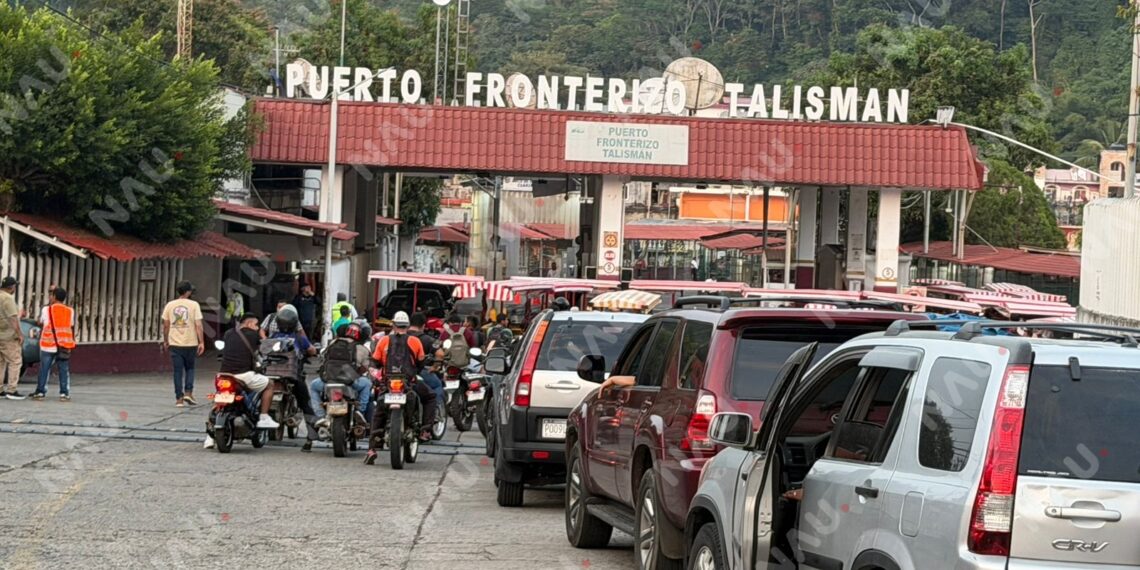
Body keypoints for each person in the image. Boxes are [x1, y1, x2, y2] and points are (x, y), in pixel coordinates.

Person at [365, 311, 438, 464]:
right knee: (430, 397)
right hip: (409, 382)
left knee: (378, 411)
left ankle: (372, 448)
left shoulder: (384, 341)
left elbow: (376, 361)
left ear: (393, 324)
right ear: (407, 325)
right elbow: (420, 362)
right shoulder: (415, 341)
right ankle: (425, 430)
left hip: (388, 383)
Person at [206, 314, 281, 449]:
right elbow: (263, 350)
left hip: (224, 375)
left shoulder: (228, 333)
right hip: (244, 375)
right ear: (249, 324)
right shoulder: (253, 336)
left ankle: (209, 437)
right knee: (269, 384)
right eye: (256, 325)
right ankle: (264, 417)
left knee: (218, 400)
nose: (258, 328)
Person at [306, 323, 372, 452]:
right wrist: (355, 373)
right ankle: (361, 411)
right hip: (350, 382)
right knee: (367, 384)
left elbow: (322, 358)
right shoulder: (362, 349)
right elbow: (365, 367)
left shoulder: (333, 343)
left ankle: (321, 416)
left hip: (329, 381)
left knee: (313, 386)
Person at [268, 305, 321, 448]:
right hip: (292, 376)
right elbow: (310, 350)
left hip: (272, 375)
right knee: (306, 403)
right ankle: (312, 434)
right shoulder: (298, 337)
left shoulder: (272, 337)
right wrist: (315, 350)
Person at [162, 281, 204, 407]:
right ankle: (188, 392)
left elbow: (165, 325)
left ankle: (179, 399)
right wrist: (201, 341)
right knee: (190, 368)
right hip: (190, 343)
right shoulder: (194, 305)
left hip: (174, 343)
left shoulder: (170, 305)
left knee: (177, 371)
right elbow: (198, 325)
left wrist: (165, 340)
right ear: (188, 292)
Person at [34, 287, 76, 401]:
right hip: (64, 345)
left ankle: (41, 392)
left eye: (51, 295)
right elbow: (70, 325)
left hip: (48, 344)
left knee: (44, 368)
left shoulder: (46, 309)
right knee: (63, 369)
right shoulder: (70, 310)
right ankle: (64, 393)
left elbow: (41, 322)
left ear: (54, 297)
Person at [409, 312, 445, 406]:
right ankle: (437, 412)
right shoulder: (427, 339)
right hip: (419, 371)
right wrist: (435, 367)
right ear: (423, 325)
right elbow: (440, 354)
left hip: (399, 371)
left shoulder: (400, 337)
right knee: (436, 385)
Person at [0, 277, 25, 399]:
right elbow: (12, 318)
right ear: (11, 287)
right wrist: (20, 334)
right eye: (14, 286)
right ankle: (11, 390)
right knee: (15, 361)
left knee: (0, 363)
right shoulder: (8, 298)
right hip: (8, 336)